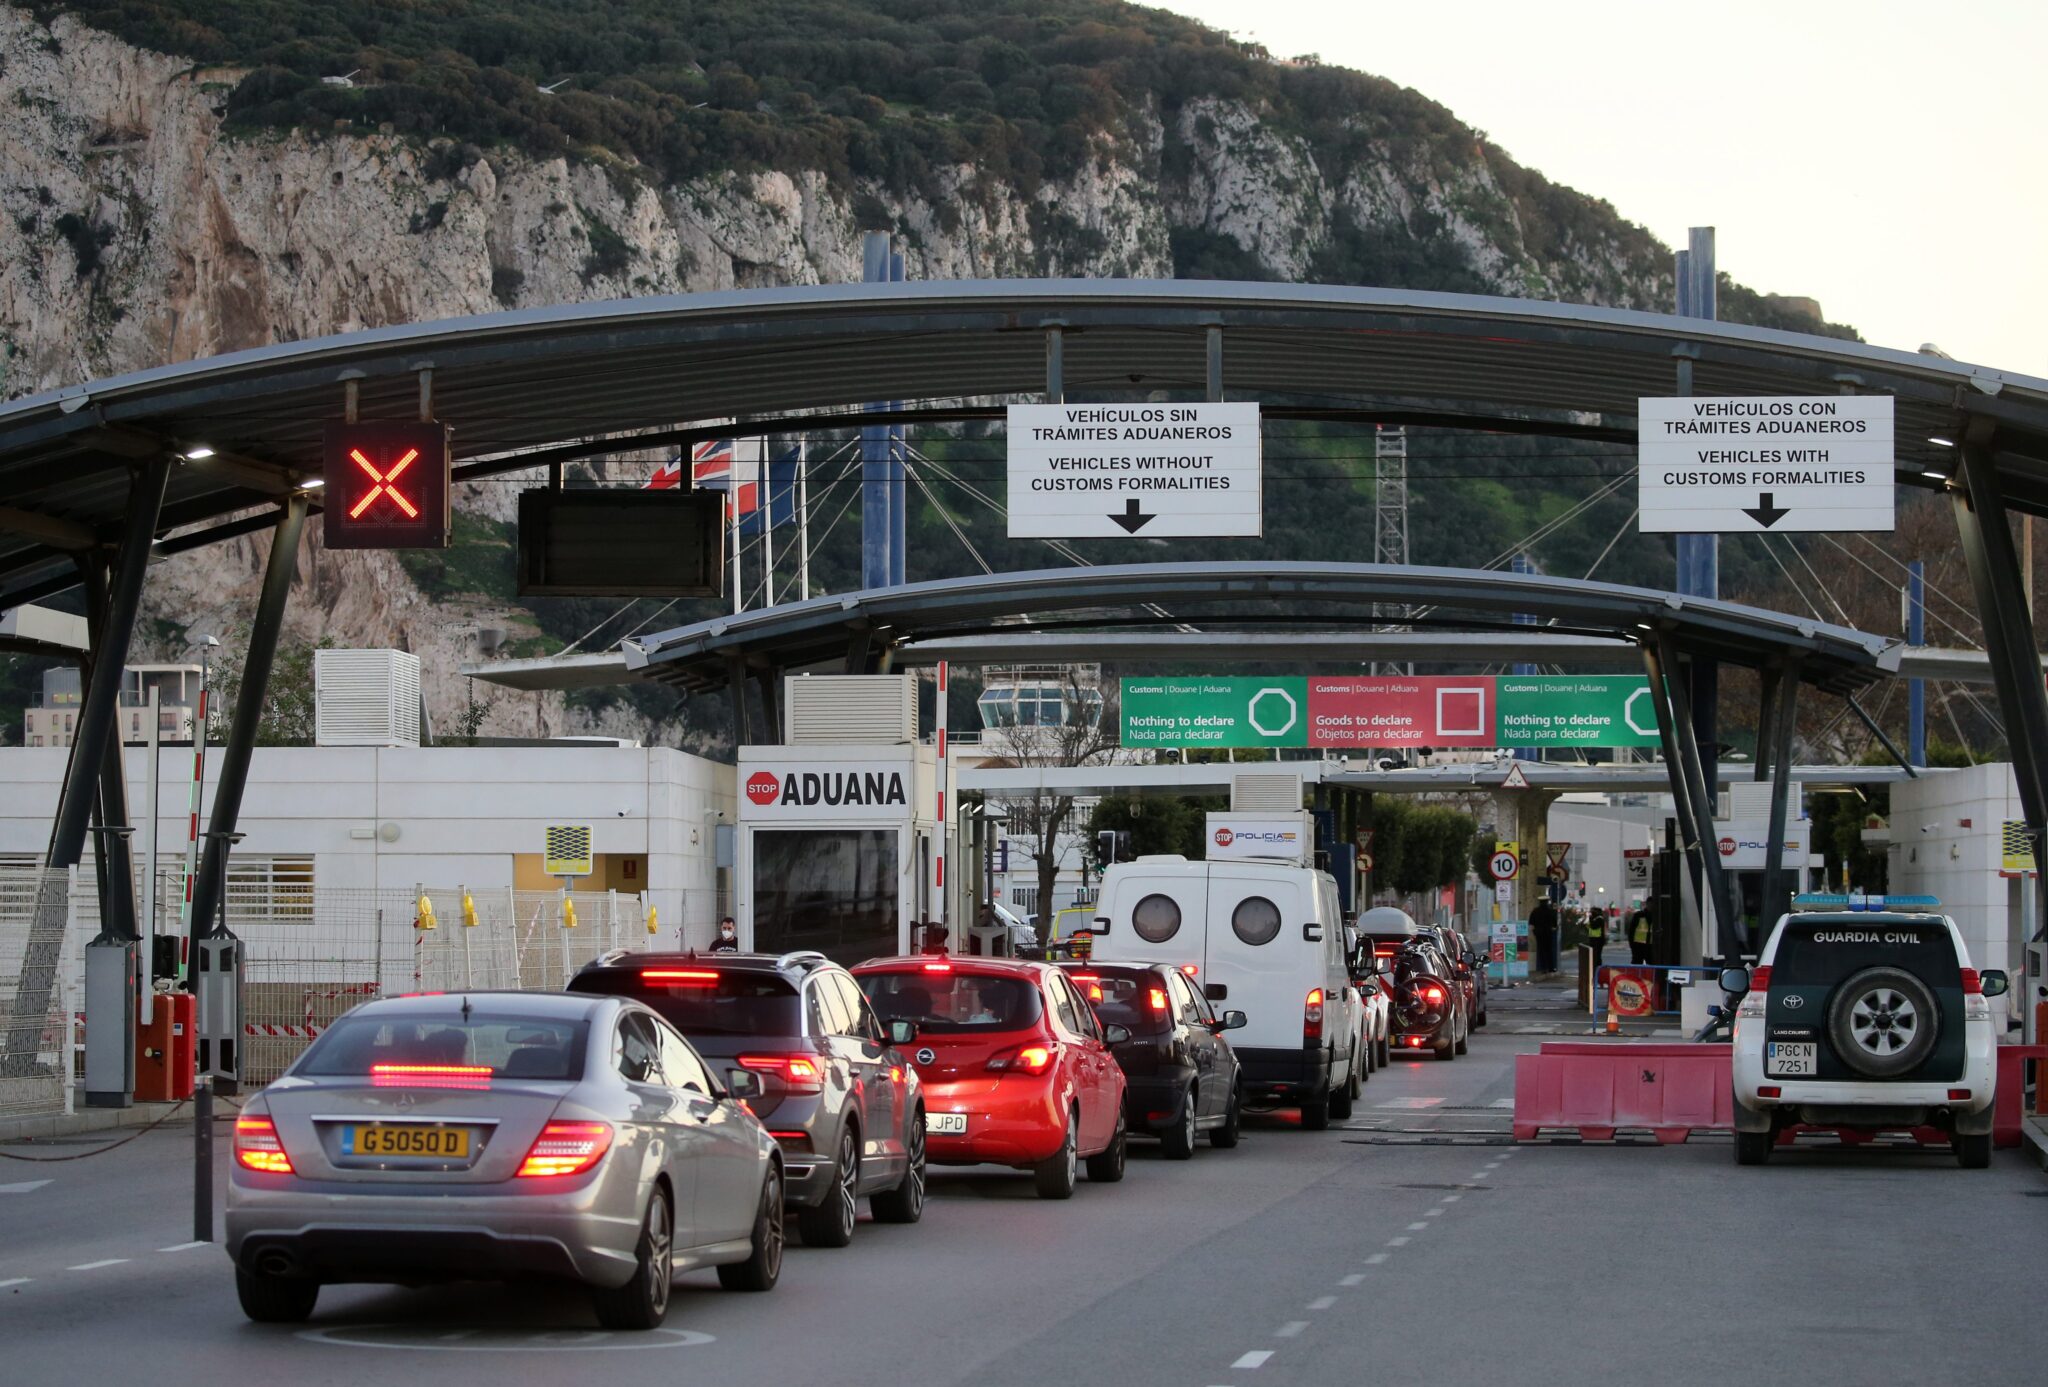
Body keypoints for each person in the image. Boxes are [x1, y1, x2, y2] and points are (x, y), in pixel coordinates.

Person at [1529, 895, 1560, 975]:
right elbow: (1555, 924)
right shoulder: (1550, 911)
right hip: (1548, 933)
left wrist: (1534, 931)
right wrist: (1553, 929)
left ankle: (1543, 968)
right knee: (1549, 950)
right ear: (1547, 902)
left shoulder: (1535, 911)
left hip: (1538, 933)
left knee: (1541, 951)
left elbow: (1531, 923)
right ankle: (1551, 968)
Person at [1628, 900, 1654, 965]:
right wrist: (1632, 945)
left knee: (1652, 965)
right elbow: (1631, 931)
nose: (1652, 906)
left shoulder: (1657, 916)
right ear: (1647, 904)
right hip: (1638, 946)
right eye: (1650, 904)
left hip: (1651, 946)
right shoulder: (1638, 915)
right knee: (1637, 965)